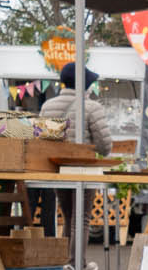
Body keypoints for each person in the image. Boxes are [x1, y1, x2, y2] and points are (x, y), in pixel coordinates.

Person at [31, 62, 115, 247]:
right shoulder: (92, 107)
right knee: (81, 218)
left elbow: (39, 141)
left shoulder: (47, 107)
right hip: (84, 170)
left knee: (68, 216)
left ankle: (67, 265)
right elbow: (105, 146)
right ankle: (77, 266)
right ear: (83, 84)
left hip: (58, 170)